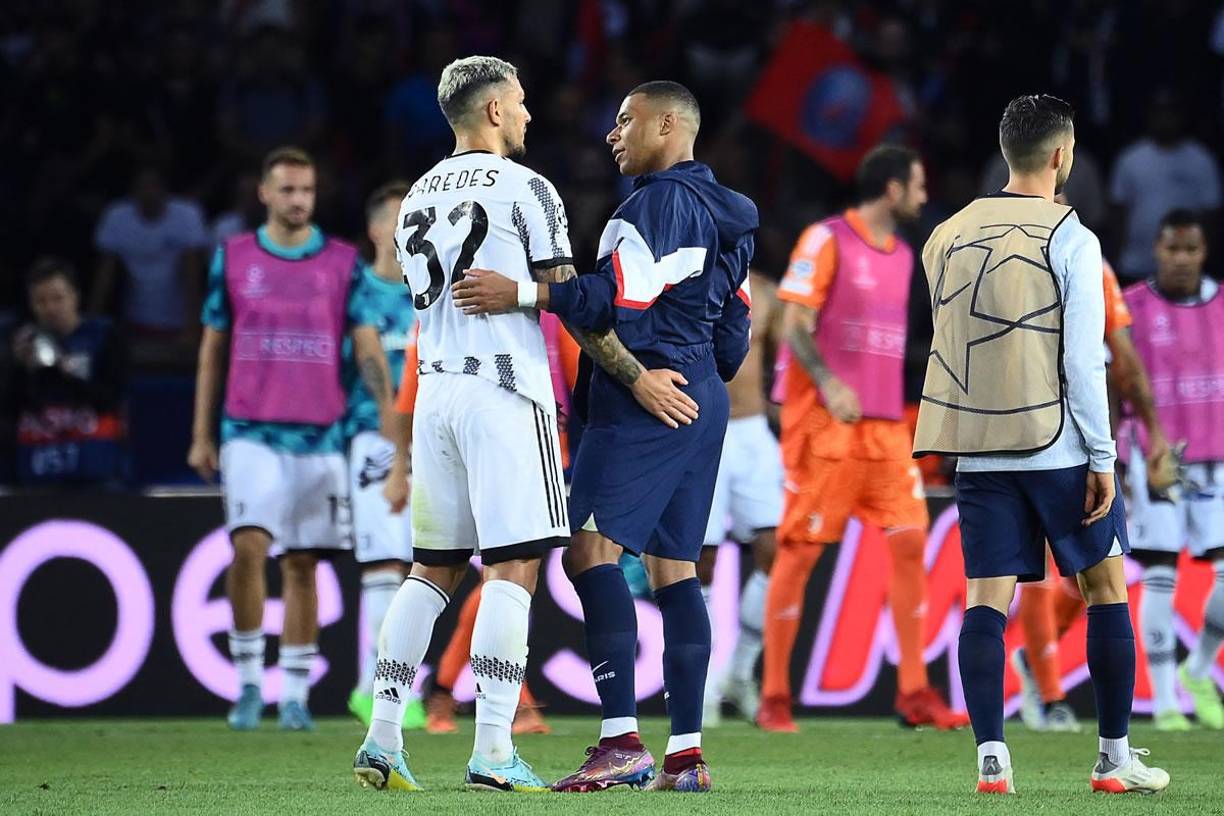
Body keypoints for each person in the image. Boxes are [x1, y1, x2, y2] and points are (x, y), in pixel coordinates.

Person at [350, 56, 669, 794]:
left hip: (434, 397)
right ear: (493, 111)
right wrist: (634, 376)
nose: (527, 115)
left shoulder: (418, 197)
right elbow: (566, 302)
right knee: (512, 568)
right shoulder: (528, 188)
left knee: (431, 569)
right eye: (519, 103)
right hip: (503, 393)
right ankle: (493, 746)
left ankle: (383, 736)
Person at [455, 80, 756, 793]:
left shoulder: (654, 203)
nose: (612, 134)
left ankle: (619, 739)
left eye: (627, 120)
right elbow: (736, 324)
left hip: (647, 396)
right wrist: (703, 371)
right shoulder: (730, 210)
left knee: (588, 552)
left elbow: (619, 297)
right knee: (673, 569)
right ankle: (686, 756)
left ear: (671, 124)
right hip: (700, 397)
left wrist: (523, 292)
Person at [914, 93, 1168, 794]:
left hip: (975, 447)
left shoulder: (946, 234)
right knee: (1105, 587)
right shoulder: (1071, 237)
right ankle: (1114, 758)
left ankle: (992, 760)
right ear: (1062, 156)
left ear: (1007, 153)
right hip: (1055, 443)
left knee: (984, 603)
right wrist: (1103, 458)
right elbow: (1086, 360)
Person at [759, 145, 966, 733]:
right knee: (798, 553)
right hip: (826, 427)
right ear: (893, 189)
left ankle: (915, 692)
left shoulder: (904, 257)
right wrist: (827, 383)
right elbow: (794, 323)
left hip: (884, 429)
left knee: (908, 544)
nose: (926, 196)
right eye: (919, 185)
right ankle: (774, 696)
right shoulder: (825, 240)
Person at [188, 146, 395, 733]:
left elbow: (365, 341)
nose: (298, 200)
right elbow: (212, 347)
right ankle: (250, 683)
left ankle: (296, 693)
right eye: (287, 190)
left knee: (303, 563)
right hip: (249, 428)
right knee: (249, 546)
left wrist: (385, 412)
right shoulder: (233, 258)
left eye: (306, 190)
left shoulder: (340, 262)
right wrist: (201, 432)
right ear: (264, 193)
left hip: (323, 435)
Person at [1011, 252, 1171, 733]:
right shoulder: (1009, 258)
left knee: (1092, 575)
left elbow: (1123, 360)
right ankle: (1052, 695)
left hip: (1091, 441)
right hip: (1025, 435)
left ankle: (1033, 663)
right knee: (1039, 569)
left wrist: (1152, 434)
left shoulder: (1090, 266)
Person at [1121, 208, 1224, 732]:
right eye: (1172, 249)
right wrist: (1119, 455)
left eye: (1191, 250)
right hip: (1156, 459)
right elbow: (1114, 386)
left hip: (1219, 458)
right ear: (1156, 250)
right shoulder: (1131, 307)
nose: (1181, 259)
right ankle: (1164, 702)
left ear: (1203, 252)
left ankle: (1200, 668)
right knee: (1160, 574)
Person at [342, 180, 425, 731]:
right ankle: (378, 691)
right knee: (384, 566)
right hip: (378, 443)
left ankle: (396, 686)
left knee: (422, 568)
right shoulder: (363, 294)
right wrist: (399, 462)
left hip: (427, 441)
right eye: (399, 219)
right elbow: (381, 387)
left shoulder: (430, 293)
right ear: (376, 229)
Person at [698, 270, 783, 726]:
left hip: (753, 432)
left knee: (775, 550)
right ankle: (706, 686)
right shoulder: (689, 275)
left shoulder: (767, 292)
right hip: (704, 427)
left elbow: (783, 357)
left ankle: (740, 670)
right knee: (702, 560)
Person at [10, 258, 125, 485]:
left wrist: (67, 370)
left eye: (58, 298)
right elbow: (12, 407)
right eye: (40, 301)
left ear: (75, 296)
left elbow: (113, 398)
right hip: (38, 459)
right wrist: (18, 368)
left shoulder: (104, 336)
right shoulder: (23, 341)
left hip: (93, 455)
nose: (50, 308)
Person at [91, 165, 210, 351]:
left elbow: (192, 277)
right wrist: (92, 325)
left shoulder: (186, 215)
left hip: (178, 322)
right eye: (142, 187)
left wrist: (193, 327)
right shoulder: (117, 216)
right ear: (132, 191)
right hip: (132, 320)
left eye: (153, 186)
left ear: (165, 190)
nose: (148, 193)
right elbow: (104, 279)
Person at [1109, 90, 1221, 282]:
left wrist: (1205, 260)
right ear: (1150, 116)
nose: (1165, 119)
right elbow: (1118, 212)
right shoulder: (1130, 158)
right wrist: (1115, 258)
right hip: (1135, 265)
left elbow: (1212, 215)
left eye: (1171, 113)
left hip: (1184, 268)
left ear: (1182, 117)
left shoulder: (1201, 160)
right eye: (1159, 113)